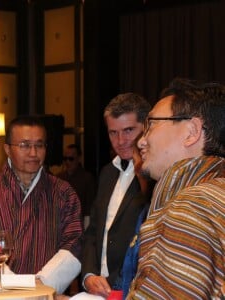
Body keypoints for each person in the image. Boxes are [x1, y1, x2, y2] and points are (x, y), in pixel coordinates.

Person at [127, 78, 225, 299]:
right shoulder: (215, 194)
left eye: (151, 124)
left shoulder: (192, 206)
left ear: (192, 131)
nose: (141, 141)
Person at [0, 115, 82, 294]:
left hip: (47, 291)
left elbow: (73, 244)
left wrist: (40, 284)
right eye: (24, 145)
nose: (33, 153)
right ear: (7, 149)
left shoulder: (63, 193)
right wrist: (15, 285)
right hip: (1, 293)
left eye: (39, 145)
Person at [81, 93, 153, 298]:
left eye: (129, 130)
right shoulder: (107, 173)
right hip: (96, 290)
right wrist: (88, 275)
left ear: (147, 128)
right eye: (113, 133)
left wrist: (111, 283)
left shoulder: (155, 178)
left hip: (132, 290)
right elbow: (93, 232)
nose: (120, 141)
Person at [57, 144, 96, 229]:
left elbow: (89, 209)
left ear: (78, 159)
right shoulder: (59, 178)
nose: (67, 162)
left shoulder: (87, 178)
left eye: (71, 159)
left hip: (79, 225)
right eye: (65, 159)